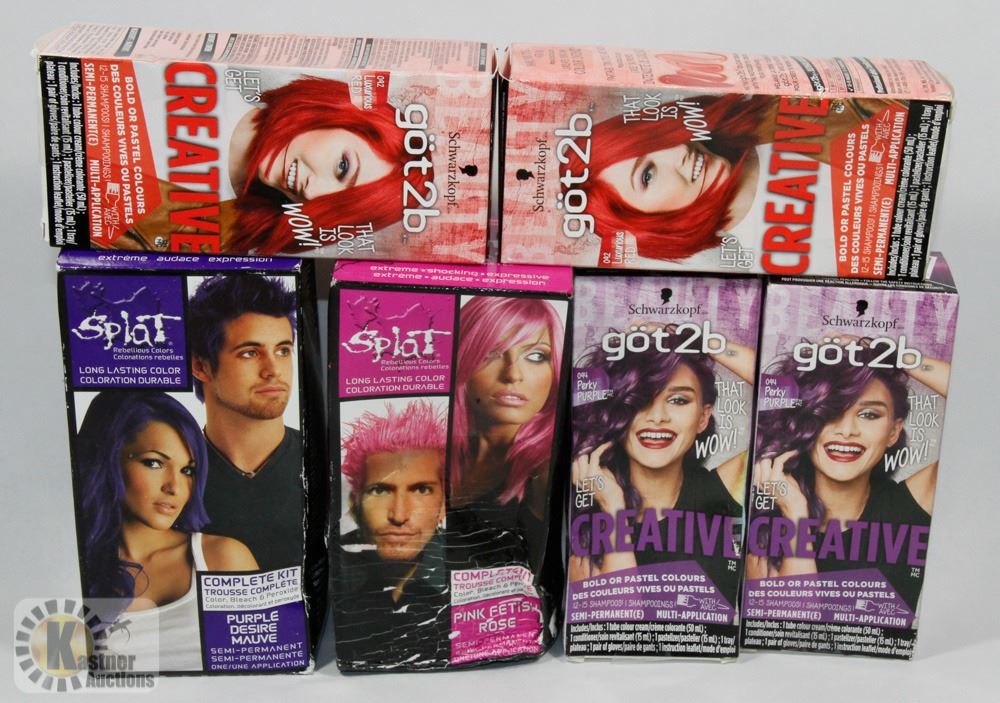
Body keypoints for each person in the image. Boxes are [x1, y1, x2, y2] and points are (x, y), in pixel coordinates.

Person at [563, 93, 896, 267]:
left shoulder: (776, 111)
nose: (678, 150)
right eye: (647, 175)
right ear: (645, 224)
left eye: (654, 139)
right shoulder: (787, 265)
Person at [745, 338, 948, 611]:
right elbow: (795, 623)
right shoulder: (766, 529)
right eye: (831, 412)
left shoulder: (908, 508)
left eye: (869, 415)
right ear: (805, 423)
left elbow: (980, 402)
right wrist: (794, 511)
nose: (847, 430)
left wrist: (890, 354)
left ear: (893, 431)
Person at [568, 326, 756, 601]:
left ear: (703, 417)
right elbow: (618, 620)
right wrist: (613, 508)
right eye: (641, 399)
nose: (657, 417)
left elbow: (786, 395)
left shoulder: (726, 486)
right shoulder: (586, 514)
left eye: (678, 400)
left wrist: (699, 339)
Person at [77, 392, 257, 672]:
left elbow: (262, 669)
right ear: (108, 459)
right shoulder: (75, 565)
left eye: (187, 470)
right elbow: (56, 672)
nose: (175, 487)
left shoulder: (222, 559)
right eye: (154, 463)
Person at [188, 273, 303, 572]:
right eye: (250, 353)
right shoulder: (171, 477)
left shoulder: (328, 464)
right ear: (201, 365)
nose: (273, 370)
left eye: (283, 350)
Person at [448, 296, 564, 569]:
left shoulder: (546, 473)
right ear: (464, 358)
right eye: (491, 353)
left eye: (536, 356)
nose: (513, 374)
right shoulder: (435, 455)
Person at [336, 399, 449, 669]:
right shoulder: (332, 573)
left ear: (444, 506)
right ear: (355, 503)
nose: (398, 515)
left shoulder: (470, 570)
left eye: (421, 490)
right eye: (380, 490)